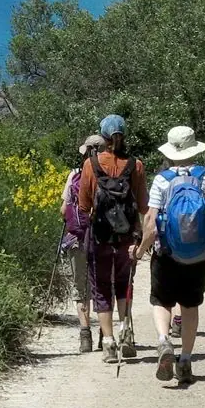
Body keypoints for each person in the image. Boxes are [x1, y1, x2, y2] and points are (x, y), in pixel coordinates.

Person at [133, 125, 205, 384]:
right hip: (198, 255)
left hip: (167, 253)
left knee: (161, 301)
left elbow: (150, 221)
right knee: (190, 305)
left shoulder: (162, 180)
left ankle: (164, 342)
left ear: (171, 151)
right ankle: (185, 360)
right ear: (194, 148)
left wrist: (141, 250)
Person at [80, 115, 146, 363]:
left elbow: (84, 204)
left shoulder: (91, 164)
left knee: (100, 287)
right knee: (124, 284)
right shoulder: (135, 165)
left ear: (103, 138)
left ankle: (108, 343)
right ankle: (126, 332)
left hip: (100, 236)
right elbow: (142, 204)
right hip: (127, 236)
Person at [59, 134, 103, 353]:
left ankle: (85, 337)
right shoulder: (113, 173)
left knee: (80, 288)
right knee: (104, 287)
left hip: (78, 239)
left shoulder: (75, 175)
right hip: (104, 240)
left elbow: (63, 210)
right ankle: (107, 336)